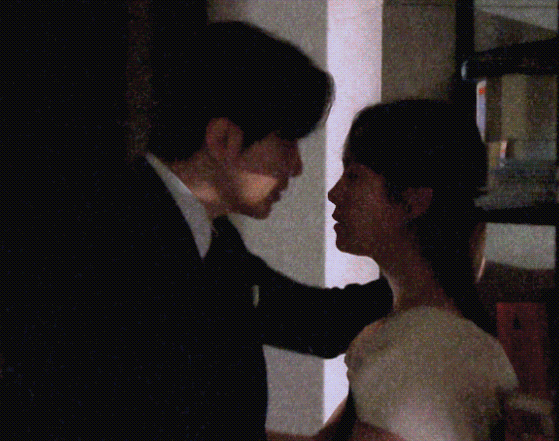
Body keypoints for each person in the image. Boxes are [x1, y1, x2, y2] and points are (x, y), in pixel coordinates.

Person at [65, 21, 392, 440]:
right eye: (286, 142)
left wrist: (423, 278)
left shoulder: (208, 237)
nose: (296, 167)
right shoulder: (118, 237)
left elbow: (312, 320)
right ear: (222, 138)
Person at [319, 99, 519, 441]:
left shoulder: (423, 349)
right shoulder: (416, 334)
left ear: (413, 202)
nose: (335, 193)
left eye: (353, 177)